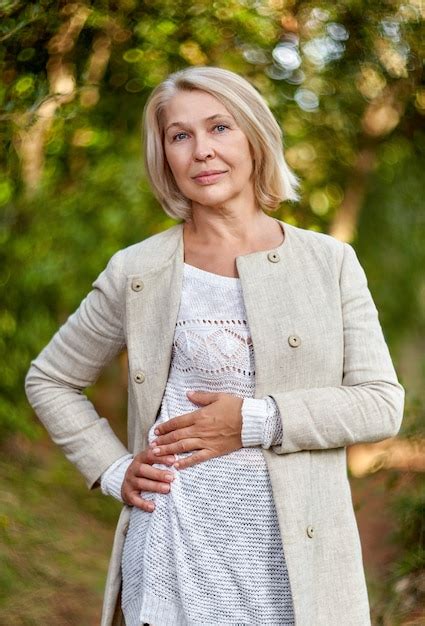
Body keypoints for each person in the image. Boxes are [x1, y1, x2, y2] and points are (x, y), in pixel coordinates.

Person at [25, 66, 405, 626]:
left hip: (296, 565)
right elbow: (51, 378)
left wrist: (253, 421)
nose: (201, 150)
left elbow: (379, 403)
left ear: (254, 137)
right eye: (179, 136)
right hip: (174, 553)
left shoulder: (329, 263)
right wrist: (112, 468)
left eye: (219, 127)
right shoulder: (138, 270)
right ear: (165, 156)